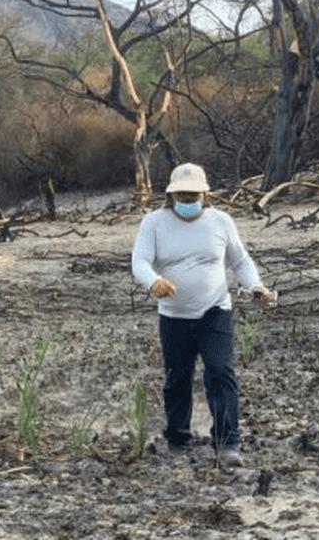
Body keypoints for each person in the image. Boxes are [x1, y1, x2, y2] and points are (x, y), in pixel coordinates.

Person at [130, 162, 276, 467]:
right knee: (177, 378)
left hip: (215, 311)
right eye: (181, 195)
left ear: (205, 195)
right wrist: (154, 282)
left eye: (193, 195)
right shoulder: (154, 223)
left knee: (221, 373)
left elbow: (239, 260)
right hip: (173, 315)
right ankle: (178, 438)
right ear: (170, 196)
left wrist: (256, 285)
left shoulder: (221, 221)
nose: (187, 201)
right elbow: (140, 261)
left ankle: (228, 443)